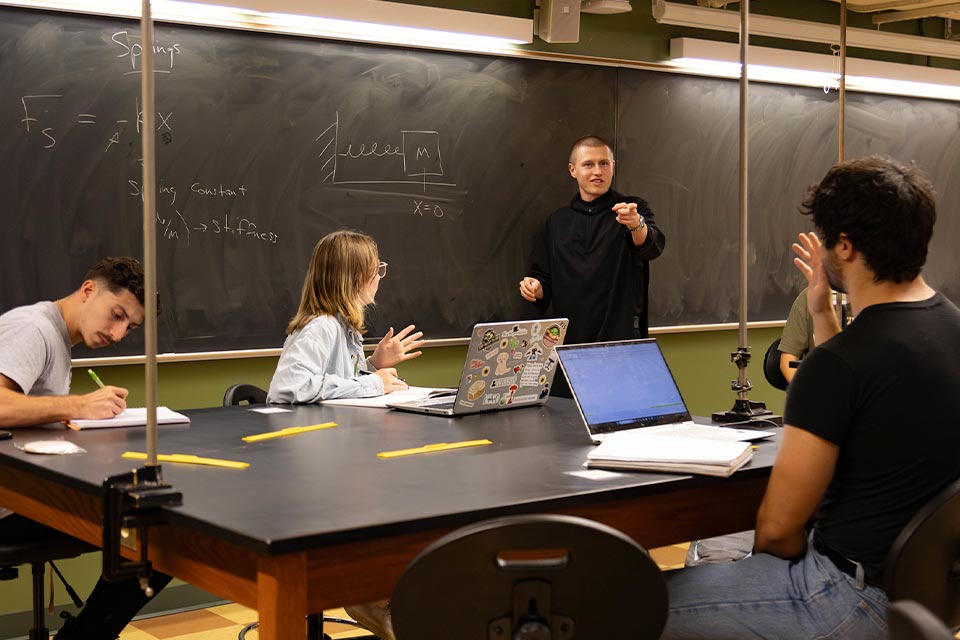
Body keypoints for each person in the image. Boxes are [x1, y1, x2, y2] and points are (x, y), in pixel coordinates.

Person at [662, 155, 960, 639]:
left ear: (844, 246)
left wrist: (755, 588)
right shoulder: (949, 327)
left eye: (824, 238)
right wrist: (821, 313)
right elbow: (864, 383)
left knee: (631, 600)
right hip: (928, 598)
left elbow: (778, 531)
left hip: (845, 600)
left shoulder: (838, 365)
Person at [0, 256, 172, 639]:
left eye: (130, 326)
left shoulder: (57, 338)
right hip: (11, 505)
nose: (119, 332)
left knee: (152, 525)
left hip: (24, 493)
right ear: (89, 290)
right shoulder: (33, 329)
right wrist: (78, 404)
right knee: (156, 534)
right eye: (116, 315)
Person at [519, 134, 665, 397]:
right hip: (568, 345)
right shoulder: (557, 222)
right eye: (588, 164)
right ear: (573, 170)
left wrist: (635, 224)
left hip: (619, 340)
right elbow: (544, 279)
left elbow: (651, 246)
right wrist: (535, 287)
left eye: (604, 164)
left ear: (613, 166)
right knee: (567, 422)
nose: (597, 171)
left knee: (621, 416)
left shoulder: (630, 210)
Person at [267, 229, 424, 403]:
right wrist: (375, 382)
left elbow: (342, 382)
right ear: (358, 278)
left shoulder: (343, 325)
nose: (380, 277)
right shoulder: (321, 327)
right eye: (377, 269)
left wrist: (374, 365)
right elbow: (286, 388)